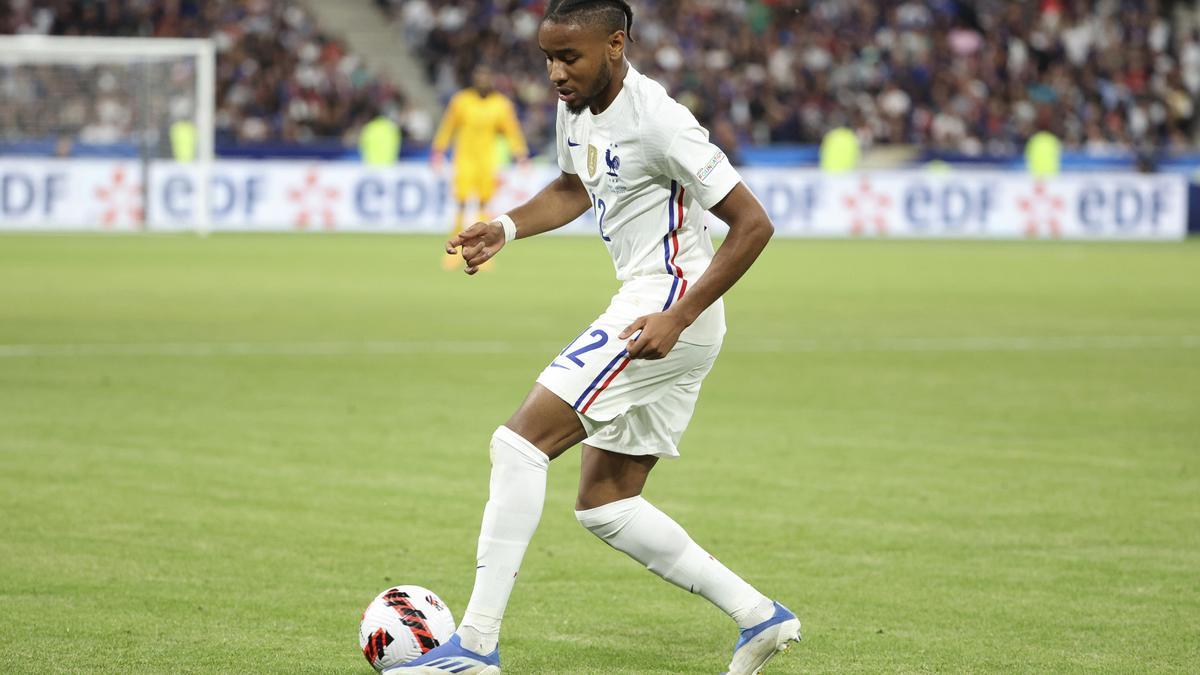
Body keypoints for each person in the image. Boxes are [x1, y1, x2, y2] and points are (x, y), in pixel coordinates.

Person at [391, 1, 798, 673]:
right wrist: (507, 227)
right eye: (548, 57)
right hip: (656, 306)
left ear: (616, 44)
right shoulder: (576, 105)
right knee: (606, 503)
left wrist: (680, 314)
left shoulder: (660, 120)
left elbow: (753, 223)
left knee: (517, 444)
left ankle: (476, 647)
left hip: (665, 306)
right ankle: (761, 617)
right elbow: (574, 184)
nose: (555, 72)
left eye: (568, 57)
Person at [431, 65, 529, 270]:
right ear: (474, 79)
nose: (482, 80)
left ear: (491, 79)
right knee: (461, 202)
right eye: (479, 76)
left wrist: (520, 153)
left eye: (486, 77)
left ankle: (483, 252)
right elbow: (448, 126)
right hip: (464, 159)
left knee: (485, 204)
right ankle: (454, 251)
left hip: (487, 161)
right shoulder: (461, 101)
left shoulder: (501, 104)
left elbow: (512, 130)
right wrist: (439, 149)